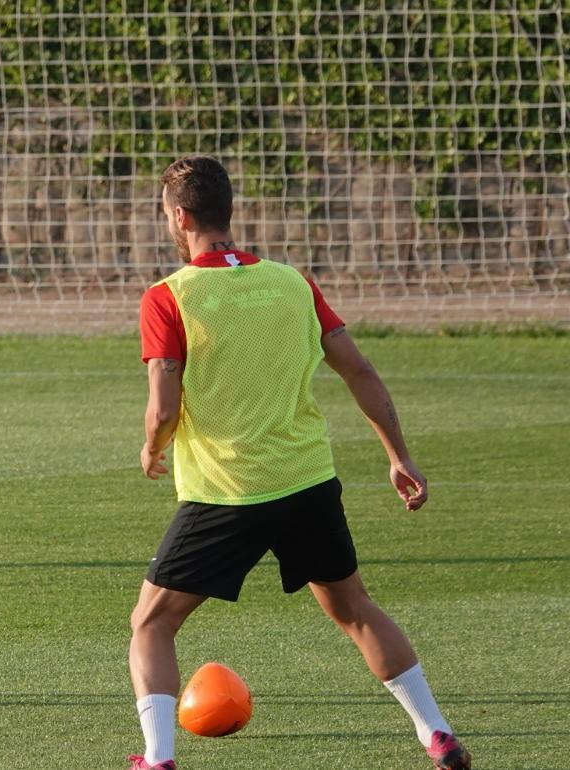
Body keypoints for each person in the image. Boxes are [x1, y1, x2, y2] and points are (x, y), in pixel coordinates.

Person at [125, 156, 471, 769]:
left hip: (228, 491)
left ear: (179, 217)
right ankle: (436, 734)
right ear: (229, 211)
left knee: (150, 624)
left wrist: (153, 447)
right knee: (355, 610)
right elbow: (361, 371)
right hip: (308, 482)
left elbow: (162, 405)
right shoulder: (293, 282)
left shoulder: (168, 297)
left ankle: (157, 760)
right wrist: (399, 456)